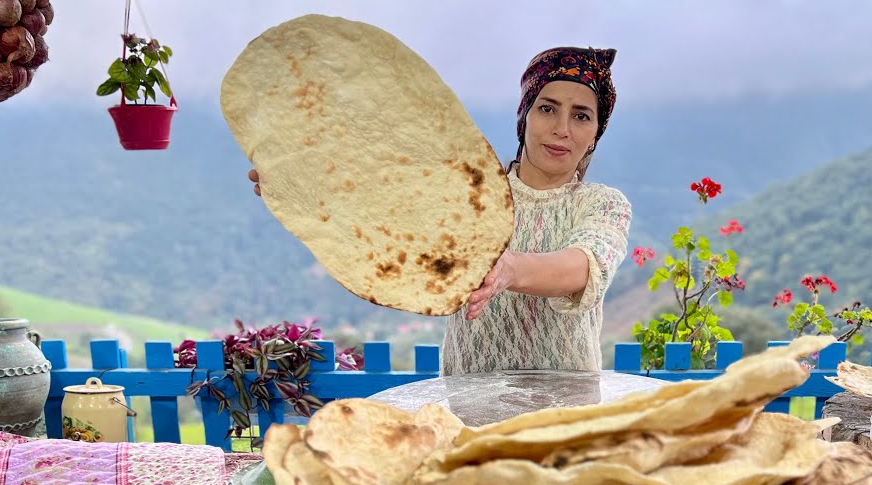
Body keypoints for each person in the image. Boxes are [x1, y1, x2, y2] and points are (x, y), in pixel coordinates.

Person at [249, 46, 631, 375]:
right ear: (524, 117)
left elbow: (586, 267)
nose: (562, 128)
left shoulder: (603, 204)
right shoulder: (466, 194)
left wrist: (507, 269)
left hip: (567, 415)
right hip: (469, 412)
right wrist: (305, 187)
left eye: (581, 115)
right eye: (547, 108)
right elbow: (384, 214)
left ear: (596, 133)